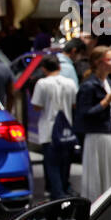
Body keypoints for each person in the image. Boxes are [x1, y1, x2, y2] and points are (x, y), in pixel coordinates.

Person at [75, 46, 111, 202]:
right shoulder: (88, 85)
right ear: (98, 62)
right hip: (98, 133)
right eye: (110, 60)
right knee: (100, 170)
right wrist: (107, 101)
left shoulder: (108, 83)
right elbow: (85, 114)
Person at [29, 55, 77, 199]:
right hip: (67, 130)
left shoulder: (42, 83)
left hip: (49, 130)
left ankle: (58, 195)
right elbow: (74, 104)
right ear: (59, 67)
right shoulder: (70, 83)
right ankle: (64, 191)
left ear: (44, 69)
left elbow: (37, 106)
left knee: (52, 166)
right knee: (65, 164)